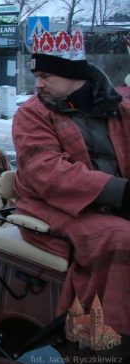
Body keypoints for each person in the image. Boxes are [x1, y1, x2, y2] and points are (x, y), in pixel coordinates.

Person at [12, 30, 130, 338]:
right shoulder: (31, 114)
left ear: (74, 75)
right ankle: (101, 346)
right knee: (120, 238)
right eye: (36, 75)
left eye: (46, 75)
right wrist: (122, 192)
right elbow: (46, 173)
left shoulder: (120, 109)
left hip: (114, 200)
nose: (38, 84)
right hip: (49, 205)